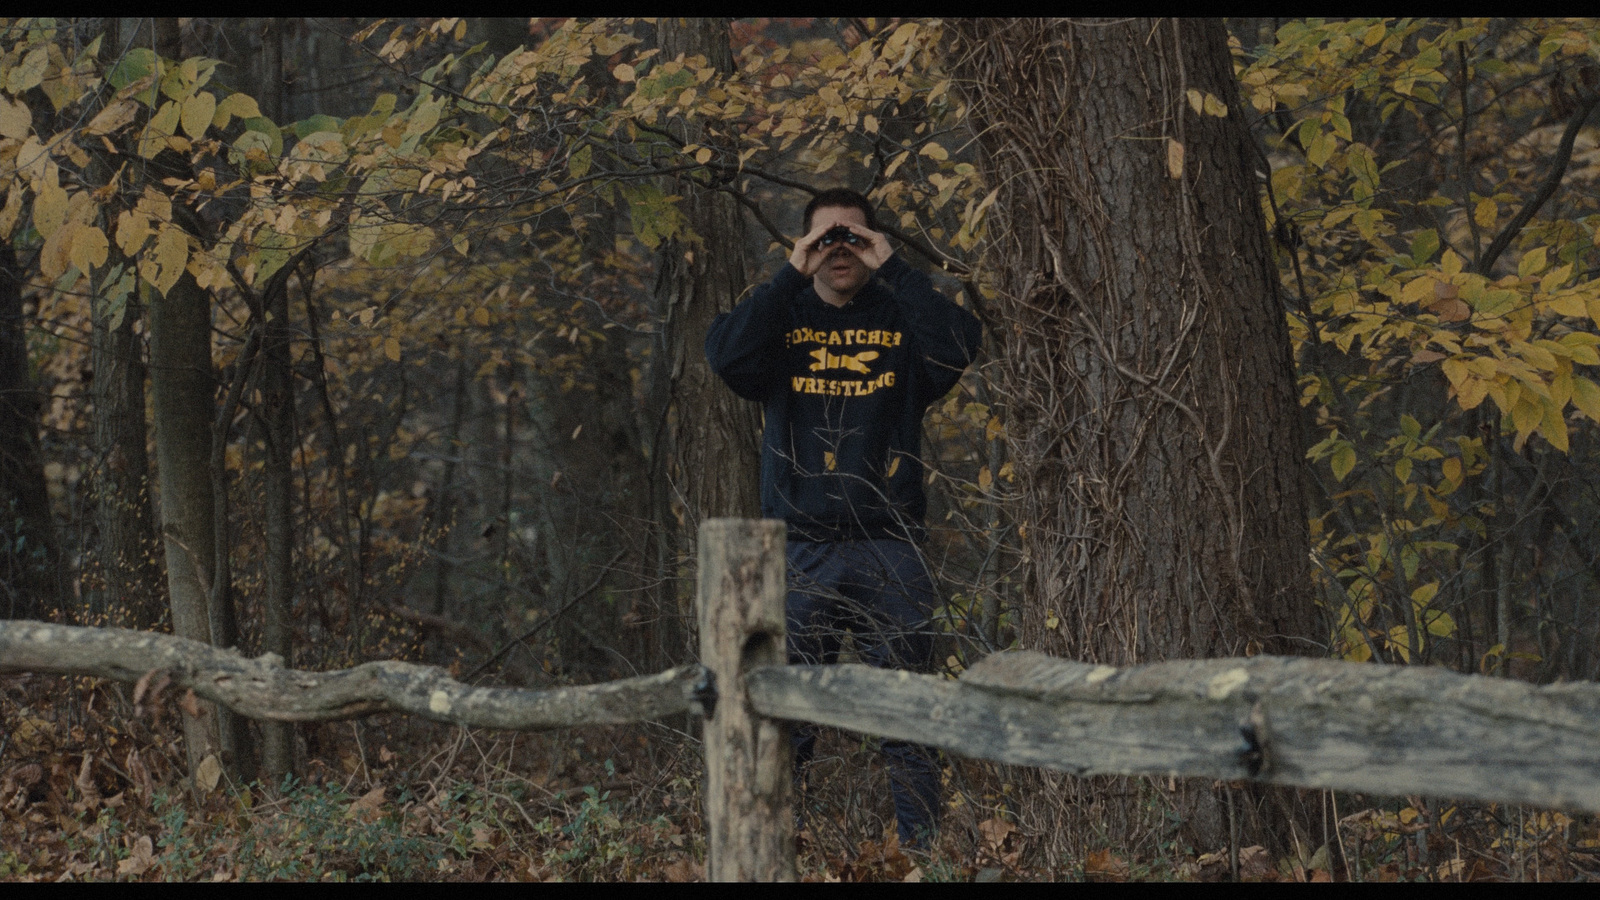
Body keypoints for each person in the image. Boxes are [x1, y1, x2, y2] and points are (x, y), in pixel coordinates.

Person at [704, 187, 983, 849]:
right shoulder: (783, 319)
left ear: (875, 244)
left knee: (909, 715)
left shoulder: (901, 317)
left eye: (853, 237)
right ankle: (774, 851)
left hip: (891, 545)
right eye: (824, 238)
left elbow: (960, 345)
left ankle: (924, 857)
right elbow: (726, 356)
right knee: (787, 717)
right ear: (803, 248)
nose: (839, 251)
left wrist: (896, 270)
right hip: (801, 548)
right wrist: (788, 274)